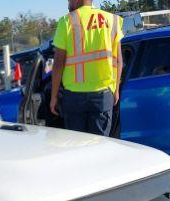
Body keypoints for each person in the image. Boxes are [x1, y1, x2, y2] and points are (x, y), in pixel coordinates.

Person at [50, 0, 124, 136]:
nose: (68, 3)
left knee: (78, 146)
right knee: (99, 147)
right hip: (103, 95)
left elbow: (58, 64)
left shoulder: (66, 22)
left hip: (74, 97)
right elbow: (119, 60)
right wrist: (116, 90)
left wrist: (54, 96)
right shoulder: (112, 20)